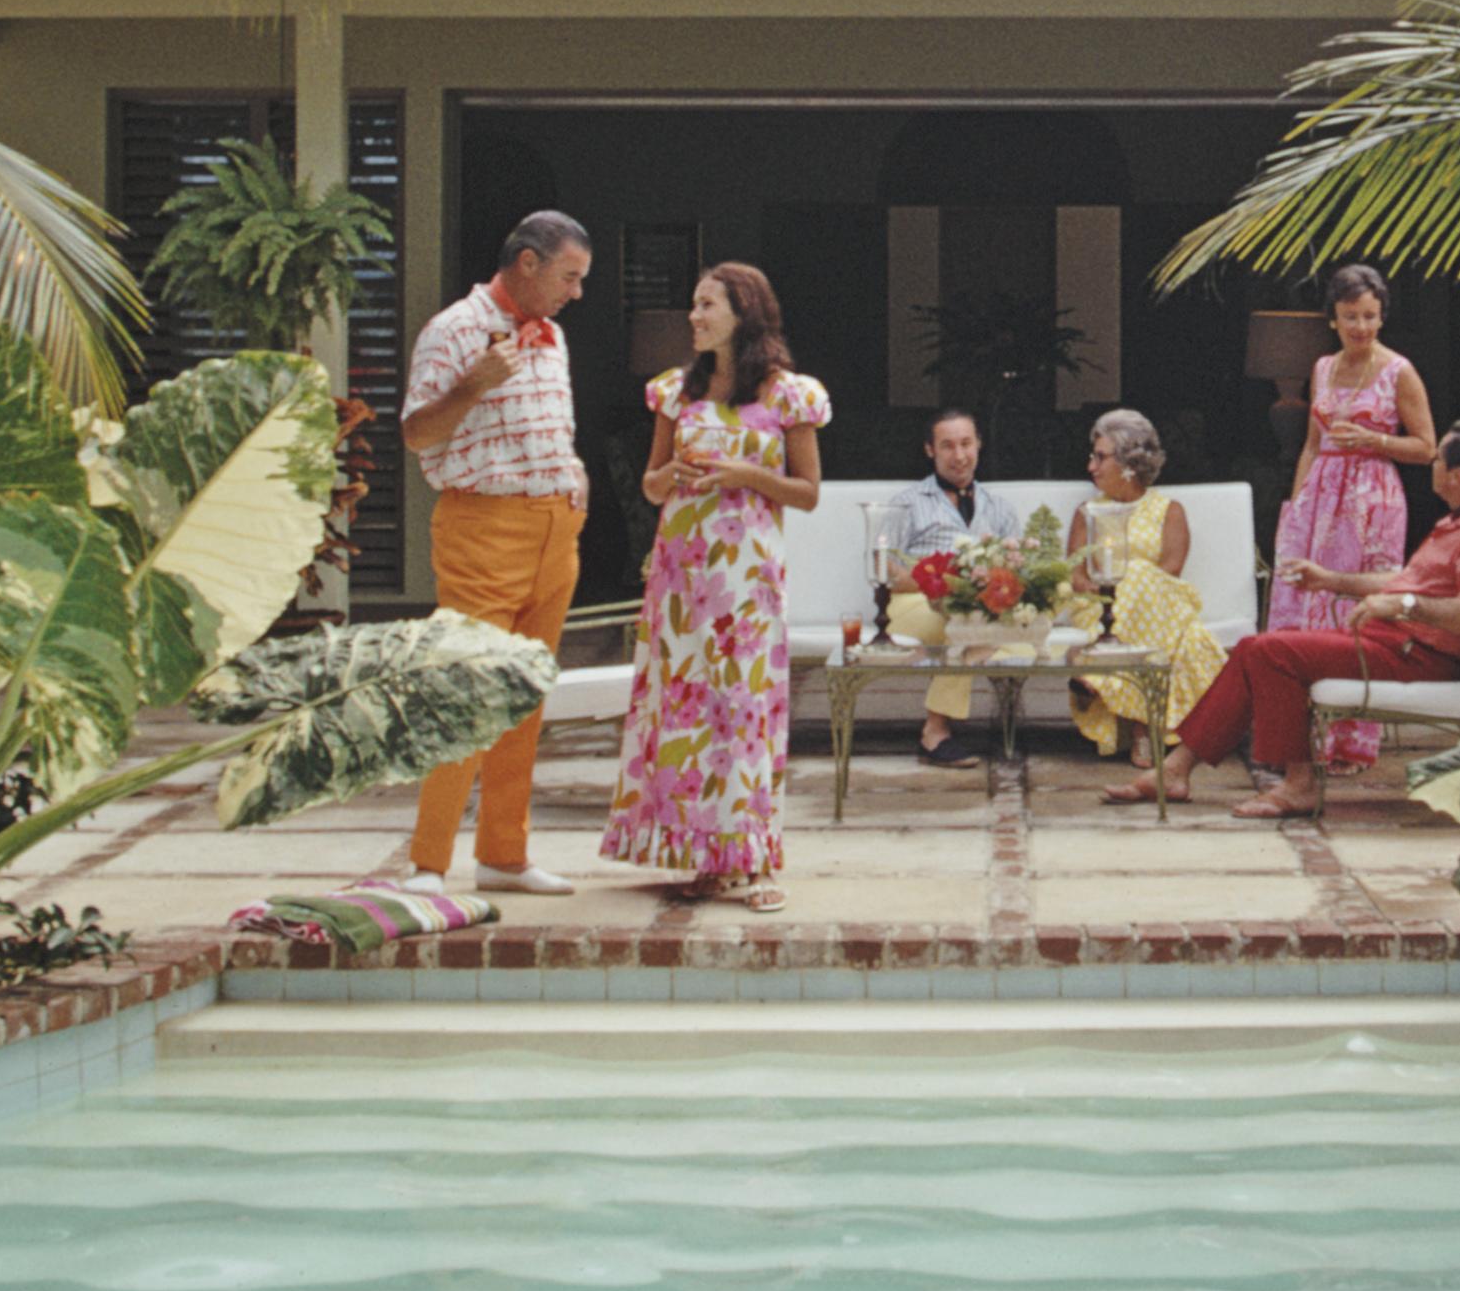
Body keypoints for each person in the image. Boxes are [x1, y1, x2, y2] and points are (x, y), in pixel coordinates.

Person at [1146, 427, 1460, 820]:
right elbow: (1404, 581)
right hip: (1391, 642)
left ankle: (1298, 785)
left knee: (1272, 652)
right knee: (1263, 646)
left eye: (1439, 458)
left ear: (1457, 476)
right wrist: (1330, 580)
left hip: (1417, 656)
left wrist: (1404, 605)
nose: (1432, 463)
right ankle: (1175, 769)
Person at [603, 260, 827, 908]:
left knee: (745, 709)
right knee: (688, 712)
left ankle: (756, 860)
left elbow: (808, 493)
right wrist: (672, 470)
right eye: (694, 306)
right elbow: (649, 485)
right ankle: (705, 855)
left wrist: (741, 474)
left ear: (744, 312)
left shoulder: (788, 395)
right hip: (680, 574)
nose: (694, 317)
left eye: (707, 306)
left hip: (747, 577)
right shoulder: (677, 390)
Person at [394, 209, 593, 894]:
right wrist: (473, 382)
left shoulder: (554, 336)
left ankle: (504, 855)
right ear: (528, 263)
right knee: (465, 691)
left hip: (553, 530)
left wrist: (575, 475)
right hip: (483, 529)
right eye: (569, 275)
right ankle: (427, 861)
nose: (577, 291)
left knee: (523, 699)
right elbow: (418, 434)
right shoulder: (452, 330)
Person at [1262, 261, 1440, 778]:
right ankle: (1297, 736)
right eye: (1350, 317)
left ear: (1382, 316)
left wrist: (1378, 441)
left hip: (1372, 501)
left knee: (1354, 610)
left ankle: (1352, 741)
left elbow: (1427, 447)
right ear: (1332, 319)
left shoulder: (1398, 370)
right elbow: (1312, 444)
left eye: (1370, 316)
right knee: (1305, 603)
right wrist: (1297, 508)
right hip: (1320, 496)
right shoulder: (1321, 367)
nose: (1361, 327)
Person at [1066, 408, 1227, 787]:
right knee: (1187, 638)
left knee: (1141, 575)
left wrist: (1128, 586)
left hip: (1155, 604)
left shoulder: (1169, 511)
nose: (1091, 466)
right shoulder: (1087, 512)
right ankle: (1143, 728)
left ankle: (1108, 688)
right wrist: (1103, 590)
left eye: (1100, 457)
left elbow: (1170, 571)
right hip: (1100, 610)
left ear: (1129, 463)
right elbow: (1075, 572)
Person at [878, 407, 1018, 767]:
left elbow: (1017, 567)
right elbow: (882, 566)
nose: (959, 455)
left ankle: (935, 728)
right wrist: (935, 580)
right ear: (930, 451)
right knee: (970, 627)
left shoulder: (999, 507)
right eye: (948, 446)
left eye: (966, 444)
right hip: (913, 605)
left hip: (976, 608)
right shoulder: (907, 502)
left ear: (979, 445)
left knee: (973, 624)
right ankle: (936, 730)